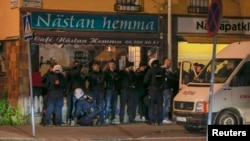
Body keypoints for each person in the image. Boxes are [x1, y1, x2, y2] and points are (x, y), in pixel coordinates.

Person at [143, 59, 165, 125]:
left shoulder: (150, 70)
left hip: (152, 90)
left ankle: (152, 121)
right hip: (160, 90)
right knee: (160, 106)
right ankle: (160, 121)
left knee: (151, 105)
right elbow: (164, 80)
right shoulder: (162, 70)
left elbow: (145, 80)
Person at [66, 61, 87, 125]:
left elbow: (84, 84)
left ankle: (81, 119)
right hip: (75, 93)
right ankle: (72, 119)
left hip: (82, 93)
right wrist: (79, 66)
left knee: (81, 107)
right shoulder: (73, 73)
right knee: (74, 107)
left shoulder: (82, 75)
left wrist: (85, 92)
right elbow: (76, 73)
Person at [88, 60, 106, 124]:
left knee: (100, 105)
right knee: (92, 106)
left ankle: (101, 120)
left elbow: (101, 81)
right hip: (92, 91)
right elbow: (91, 82)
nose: (93, 67)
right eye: (93, 65)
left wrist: (95, 80)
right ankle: (93, 119)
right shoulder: (90, 73)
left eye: (95, 65)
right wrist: (97, 79)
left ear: (98, 66)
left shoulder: (102, 73)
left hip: (100, 91)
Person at [104, 59, 120, 125]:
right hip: (108, 90)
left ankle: (113, 119)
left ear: (115, 65)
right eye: (110, 64)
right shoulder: (106, 73)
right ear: (109, 65)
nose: (112, 65)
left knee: (114, 105)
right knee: (107, 105)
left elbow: (119, 82)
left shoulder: (117, 73)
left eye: (113, 64)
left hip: (115, 90)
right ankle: (106, 118)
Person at [161, 58, 175, 124]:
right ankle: (164, 117)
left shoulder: (167, 70)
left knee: (167, 104)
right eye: (169, 63)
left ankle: (165, 117)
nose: (170, 64)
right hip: (166, 89)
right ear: (166, 63)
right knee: (166, 104)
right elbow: (169, 78)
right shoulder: (164, 70)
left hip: (167, 89)